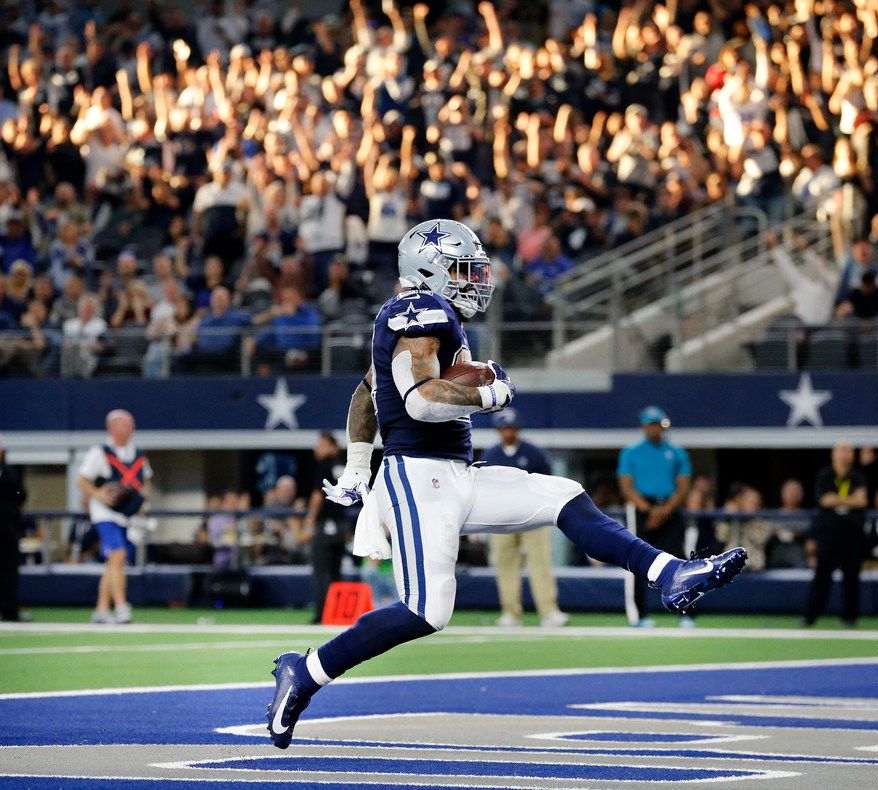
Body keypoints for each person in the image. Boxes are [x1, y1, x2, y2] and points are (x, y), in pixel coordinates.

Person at [266, 219, 747, 748]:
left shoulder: (424, 317)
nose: (474, 280)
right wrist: (487, 396)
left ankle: (669, 572)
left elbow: (367, 391)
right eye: (463, 269)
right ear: (430, 270)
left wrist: (358, 463)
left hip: (455, 474)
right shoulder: (420, 311)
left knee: (563, 495)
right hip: (418, 479)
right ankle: (305, 672)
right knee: (426, 612)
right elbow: (419, 401)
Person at [482, 409, 568, 628]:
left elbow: (548, 482)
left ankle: (549, 611)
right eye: (504, 428)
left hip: (533, 517)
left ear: (518, 429)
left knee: (540, 563)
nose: (508, 432)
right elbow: (483, 487)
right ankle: (510, 612)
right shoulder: (490, 455)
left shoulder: (534, 453)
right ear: (498, 430)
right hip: (501, 519)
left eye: (511, 428)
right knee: (505, 565)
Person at [617, 406, 693, 627]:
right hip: (642, 509)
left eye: (657, 424)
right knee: (636, 560)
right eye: (650, 424)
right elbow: (626, 485)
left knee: (679, 561)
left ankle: (685, 613)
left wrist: (665, 510)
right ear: (643, 427)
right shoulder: (631, 452)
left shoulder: (677, 452)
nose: (654, 429)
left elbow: (684, 485)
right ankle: (638, 616)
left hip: (669, 507)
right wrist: (648, 510)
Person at [76, 410, 152, 625]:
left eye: (131, 424)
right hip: (105, 513)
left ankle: (101, 609)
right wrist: (98, 494)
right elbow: (82, 479)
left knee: (115, 562)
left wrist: (141, 502)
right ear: (112, 428)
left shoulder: (137, 453)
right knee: (117, 554)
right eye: (125, 424)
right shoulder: (100, 452)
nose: (130, 429)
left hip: (126, 514)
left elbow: (145, 480)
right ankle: (121, 606)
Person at [803, 442, 868, 627]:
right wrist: (850, 501)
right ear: (833, 454)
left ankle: (850, 617)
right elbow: (824, 500)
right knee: (822, 575)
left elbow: (862, 501)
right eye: (841, 450)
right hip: (829, 533)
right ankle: (810, 615)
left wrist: (838, 500)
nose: (845, 454)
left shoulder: (858, 476)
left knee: (852, 576)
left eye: (849, 450)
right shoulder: (825, 475)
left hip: (852, 533)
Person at [304, 432, 352, 624]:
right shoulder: (345, 467)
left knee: (321, 571)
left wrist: (310, 518)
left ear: (333, 447)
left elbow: (317, 496)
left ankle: (321, 614)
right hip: (341, 526)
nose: (318, 449)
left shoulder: (323, 466)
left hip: (325, 526)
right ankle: (338, 612)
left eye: (322, 445)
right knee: (336, 571)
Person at [0, 436, 26, 622]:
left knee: (9, 570)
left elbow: (20, 494)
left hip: (6, 526)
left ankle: (10, 611)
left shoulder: (9, 472)